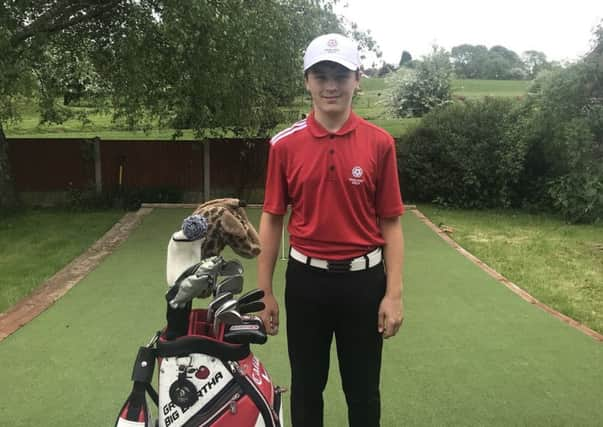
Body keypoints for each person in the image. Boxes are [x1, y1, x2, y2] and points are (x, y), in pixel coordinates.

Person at [257, 33, 404, 427]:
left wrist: (394, 294)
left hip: (364, 282)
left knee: (363, 392)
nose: (330, 85)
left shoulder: (380, 144)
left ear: (358, 78)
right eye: (320, 75)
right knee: (306, 389)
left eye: (340, 74)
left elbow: (390, 221)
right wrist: (265, 291)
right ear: (307, 81)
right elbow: (272, 217)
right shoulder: (284, 145)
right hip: (306, 283)